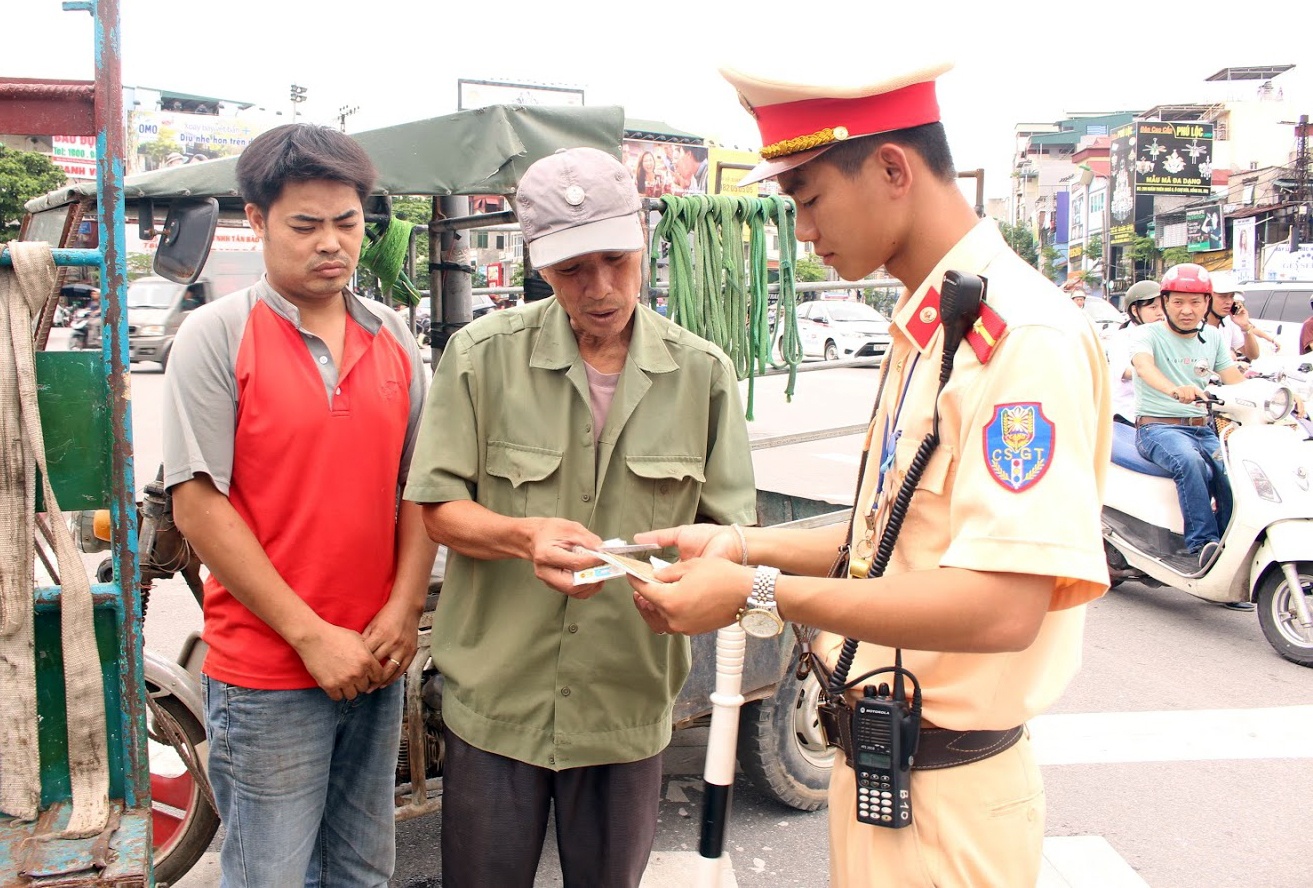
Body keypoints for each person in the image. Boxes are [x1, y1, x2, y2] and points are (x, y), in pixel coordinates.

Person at [627, 59, 1111, 888]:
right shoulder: (930, 321)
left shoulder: (1020, 338)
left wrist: (756, 593)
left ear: (892, 169)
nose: (802, 230)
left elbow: (1001, 606)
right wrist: (737, 546)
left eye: (808, 199)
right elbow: (887, 540)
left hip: (949, 794)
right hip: (879, 766)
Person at [402, 146, 756, 888]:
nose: (599, 288)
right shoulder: (479, 358)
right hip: (499, 701)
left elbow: (730, 534)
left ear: (642, 243)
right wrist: (520, 534)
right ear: (538, 262)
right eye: (571, 270)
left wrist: (694, 582)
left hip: (624, 697)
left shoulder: (702, 374)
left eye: (615, 260)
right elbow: (435, 507)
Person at [163, 123, 435, 887]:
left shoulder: (393, 338)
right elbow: (198, 506)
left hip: (377, 658)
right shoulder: (215, 337)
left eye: (346, 223)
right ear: (256, 222)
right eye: (305, 225)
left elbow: (421, 488)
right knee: (270, 875)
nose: (331, 244)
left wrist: (404, 610)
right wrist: (311, 636)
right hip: (267, 674)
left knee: (361, 870)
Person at [1129, 263, 1245, 571]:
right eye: (1178, 301)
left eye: (1195, 302)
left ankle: (1229, 547)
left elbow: (1234, 379)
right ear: (1165, 302)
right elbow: (1144, 367)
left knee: (1233, 469)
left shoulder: (1214, 338)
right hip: (1157, 427)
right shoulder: (1147, 335)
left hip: (1204, 429)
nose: (1186, 310)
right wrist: (1173, 389)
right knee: (1190, 462)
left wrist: (1279, 397)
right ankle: (1202, 546)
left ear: (1207, 303)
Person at [1107, 278, 1165, 424]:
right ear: (1135, 310)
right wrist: (1155, 372)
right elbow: (1124, 371)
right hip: (1128, 416)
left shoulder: (1166, 336)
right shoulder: (1121, 337)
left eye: (1162, 307)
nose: (1160, 313)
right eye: (1153, 308)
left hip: (1163, 413)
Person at [1205, 270, 1269, 361]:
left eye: (1231, 296)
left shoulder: (1228, 322)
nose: (1229, 302)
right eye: (1223, 296)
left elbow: (1253, 355)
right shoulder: (1195, 325)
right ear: (1207, 298)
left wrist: (1245, 327)